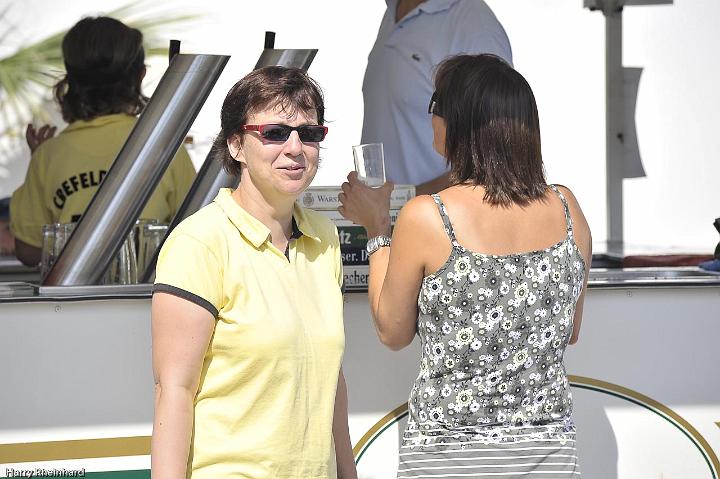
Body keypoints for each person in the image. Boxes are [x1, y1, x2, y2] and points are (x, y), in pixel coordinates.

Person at [340, 54, 591, 477]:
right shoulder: (567, 208)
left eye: (435, 103)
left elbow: (392, 331)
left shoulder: (429, 216)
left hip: (448, 458)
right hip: (549, 456)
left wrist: (377, 227)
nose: (430, 116)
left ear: (459, 121)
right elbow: (571, 330)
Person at [151, 66, 357, 479]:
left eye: (309, 133)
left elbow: (330, 381)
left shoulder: (325, 237)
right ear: (236, 145)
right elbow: (174, 391)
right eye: (275, 133)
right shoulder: (199, 242)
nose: (295, 148)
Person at [10, 16, 195, 266]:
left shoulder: (48, 155)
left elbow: (29, 251)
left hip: (74, 289)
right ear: (140, 76)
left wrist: (39, 162)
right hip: (145, 288)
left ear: (70, 79)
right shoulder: (166, 147)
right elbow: (197, 234)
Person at [362, 0, 512, 195]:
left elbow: (496, 153)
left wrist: (413, 202)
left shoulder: (475, 24)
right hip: (384, 211)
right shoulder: (393, 11)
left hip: (439, 213)